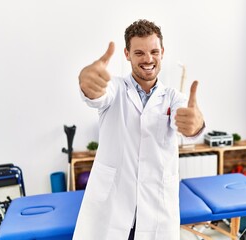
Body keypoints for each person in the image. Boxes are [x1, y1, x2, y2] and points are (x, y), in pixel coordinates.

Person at [73, 19, 205, 240]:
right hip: (112, 207)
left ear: (162, 52)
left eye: (154, 51)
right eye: (139, 53)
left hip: (155, 209)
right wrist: (86, 84)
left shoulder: (173, 97)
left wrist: (195, 124)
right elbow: (97, 95)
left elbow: (188, 120)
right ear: (127, 54)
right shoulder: (114, 89)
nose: (148, 59)